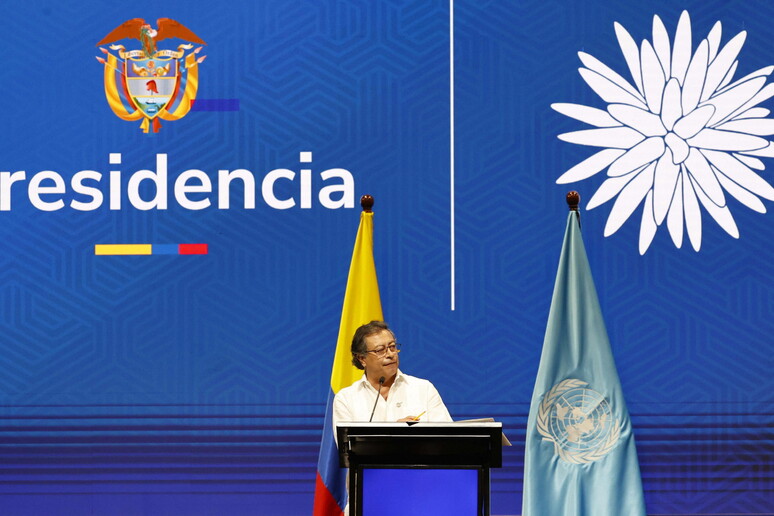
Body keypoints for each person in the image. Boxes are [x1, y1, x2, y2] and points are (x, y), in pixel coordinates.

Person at [332, 321, 452, 428]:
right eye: (380, 350)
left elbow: (447, 438)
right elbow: (348, 448)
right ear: (362, 358)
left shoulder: (423, 389)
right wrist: (395, 433)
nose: (390, 354)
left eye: (392, 347)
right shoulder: (346, 399)